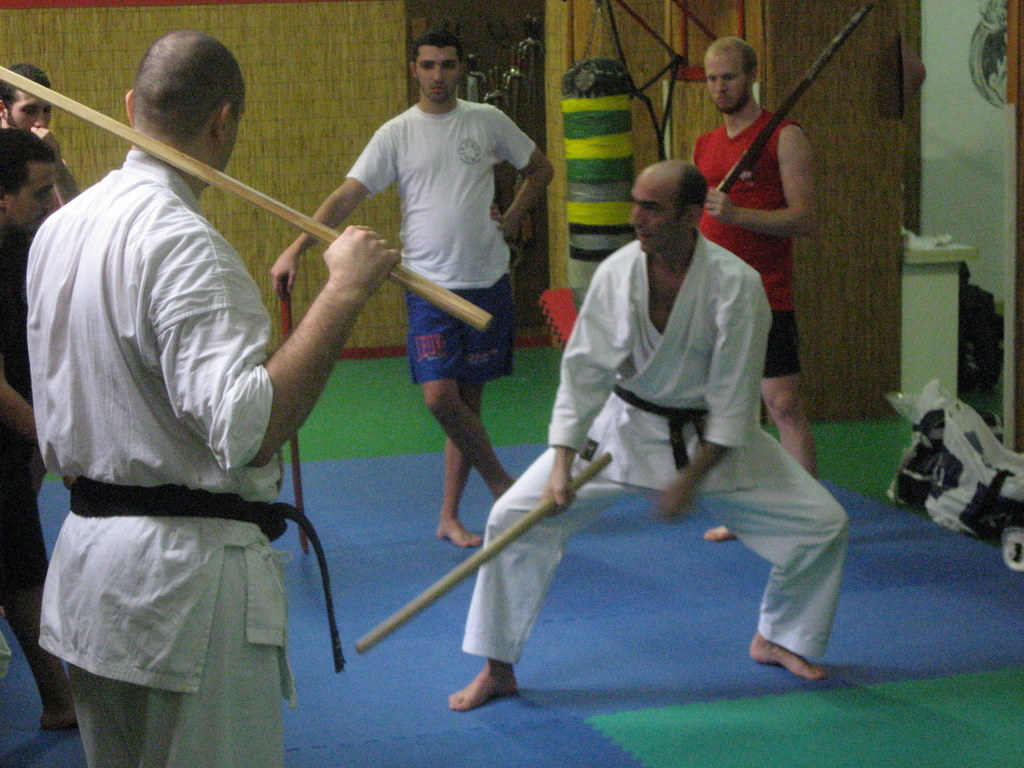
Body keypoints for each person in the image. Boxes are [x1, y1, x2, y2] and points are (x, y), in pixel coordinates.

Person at [26, 31, 399, 767]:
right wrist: (344, 294)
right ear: (223, 121)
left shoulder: (59, 229)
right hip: (183, 593)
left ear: (130, 107)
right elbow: (248, 428)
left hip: (90, 572)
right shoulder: (183, 244)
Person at [448, 161, 848, 712]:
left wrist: (690, 481)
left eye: (652, 208)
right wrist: (562, 464)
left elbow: (734, 404)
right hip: (622, 433)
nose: (635, 217)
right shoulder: (618, 273)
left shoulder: (737, 285)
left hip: (708, 440)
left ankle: (778, 637)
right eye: (635, 203)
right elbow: (584, 373)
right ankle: (497, 669)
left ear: (691, 215)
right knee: (512, 518)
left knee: (822, 525)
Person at [271, 29, 554, 548]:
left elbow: (540, 169)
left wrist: (513, 219)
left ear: (460, 68)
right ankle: (502, 483)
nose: (438, 75)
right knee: (440, 397)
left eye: (447, 65)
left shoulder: (486, 120)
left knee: (467, 405)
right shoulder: (397, 133)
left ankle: (449, 516)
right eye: (428, 65)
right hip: (427, 286)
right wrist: (296, 248)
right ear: (414, 70)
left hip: (486, 279)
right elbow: (347, 195)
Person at [694, 36, 819, 543]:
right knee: (731, 411)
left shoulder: (784, 136)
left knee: (782, 403)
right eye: (712, 78)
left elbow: (806, 219)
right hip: (716, 294)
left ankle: (808, 514)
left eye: (729, 77)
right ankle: (747, 511)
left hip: (767, 292)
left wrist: (737, 213)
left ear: (751, 76)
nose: (720, 87)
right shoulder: (705, 145)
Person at [0, 127, 76, 730]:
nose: (49, 203)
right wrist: (62, 450)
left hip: (14, 433)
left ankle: (59, 700)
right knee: (22, 566)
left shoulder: (17, 246)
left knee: (21, 561)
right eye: (38, 192)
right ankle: (60, 701)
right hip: (8, 422)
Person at [0, 63, 80, 205]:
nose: (41, 122)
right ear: (2, 109)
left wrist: (57, 163)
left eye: (46, 110)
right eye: (30, 110)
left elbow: (77, 212)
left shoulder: (50, 165)